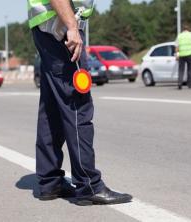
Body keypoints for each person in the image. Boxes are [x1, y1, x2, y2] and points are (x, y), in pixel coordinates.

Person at [28, 0, 132, 205]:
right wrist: (72, 27)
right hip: (60, 27)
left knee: (52, 109)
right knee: (77, 105)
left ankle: (50, 181)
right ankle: (89, 185)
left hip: (48, 26)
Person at [176, 24, 191, 90]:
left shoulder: (179, 36)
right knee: (189, 70)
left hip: (181, 55)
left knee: (181, 70)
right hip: (189, 55)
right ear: (188, 29)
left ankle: (180, 83)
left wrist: (177, 55)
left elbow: (177, 47)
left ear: (183, 30)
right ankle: (189, 84)